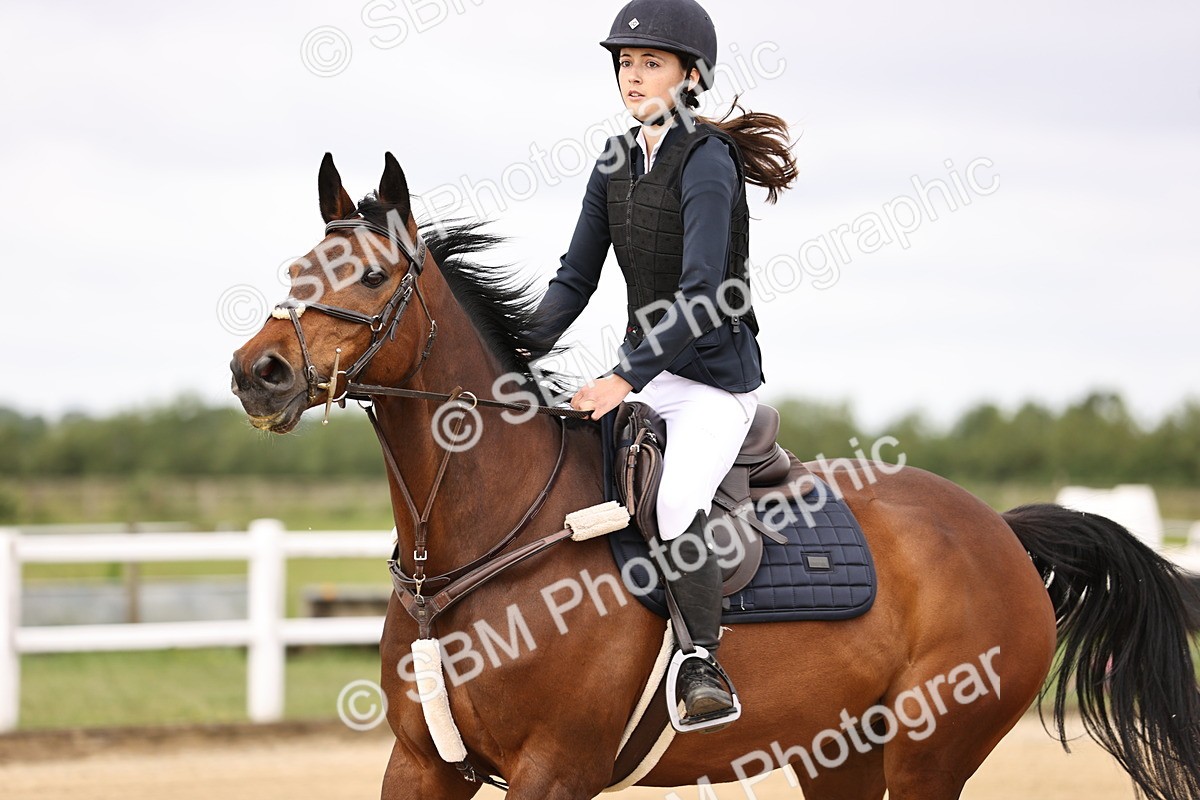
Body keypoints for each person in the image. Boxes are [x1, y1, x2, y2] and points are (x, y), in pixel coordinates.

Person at [526, 0, 797, 729]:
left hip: (713, 382)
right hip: (649, 374)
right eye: (626, 63)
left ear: (691, 75)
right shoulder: (614, 158)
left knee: (674, 503)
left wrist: (623, 378)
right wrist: (516, 349)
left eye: (651, 63)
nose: (634, 76)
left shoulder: (709, 160)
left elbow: (703, 293)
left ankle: (703, 662)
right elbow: (574, 280)